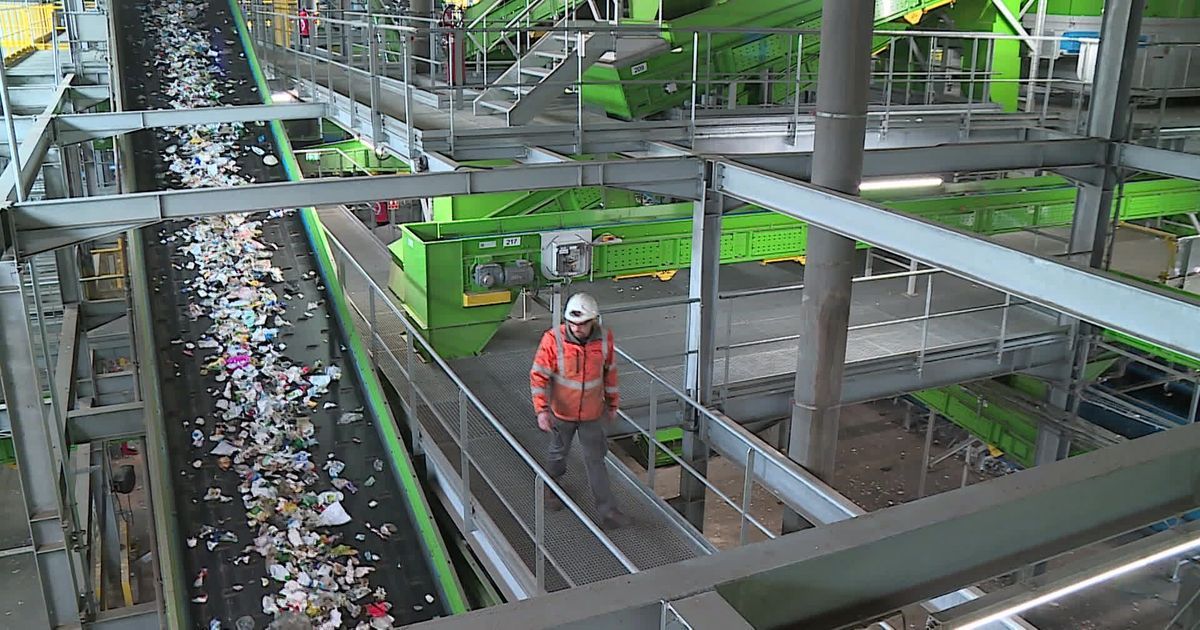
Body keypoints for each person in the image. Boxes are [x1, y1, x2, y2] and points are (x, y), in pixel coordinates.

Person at [530, 292, 630, 529]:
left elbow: (610, 374)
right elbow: (538, 376)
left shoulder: (605, 339)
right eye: (572, 324)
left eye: (582, 324)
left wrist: (613, 404)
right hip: (561, 414)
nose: (577, 329)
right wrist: (541, 410)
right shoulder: (552, 340)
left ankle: (608, 512)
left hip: (592, 414)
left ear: (593, 320)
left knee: (596, 461)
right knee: (557, 454)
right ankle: (551, 489)